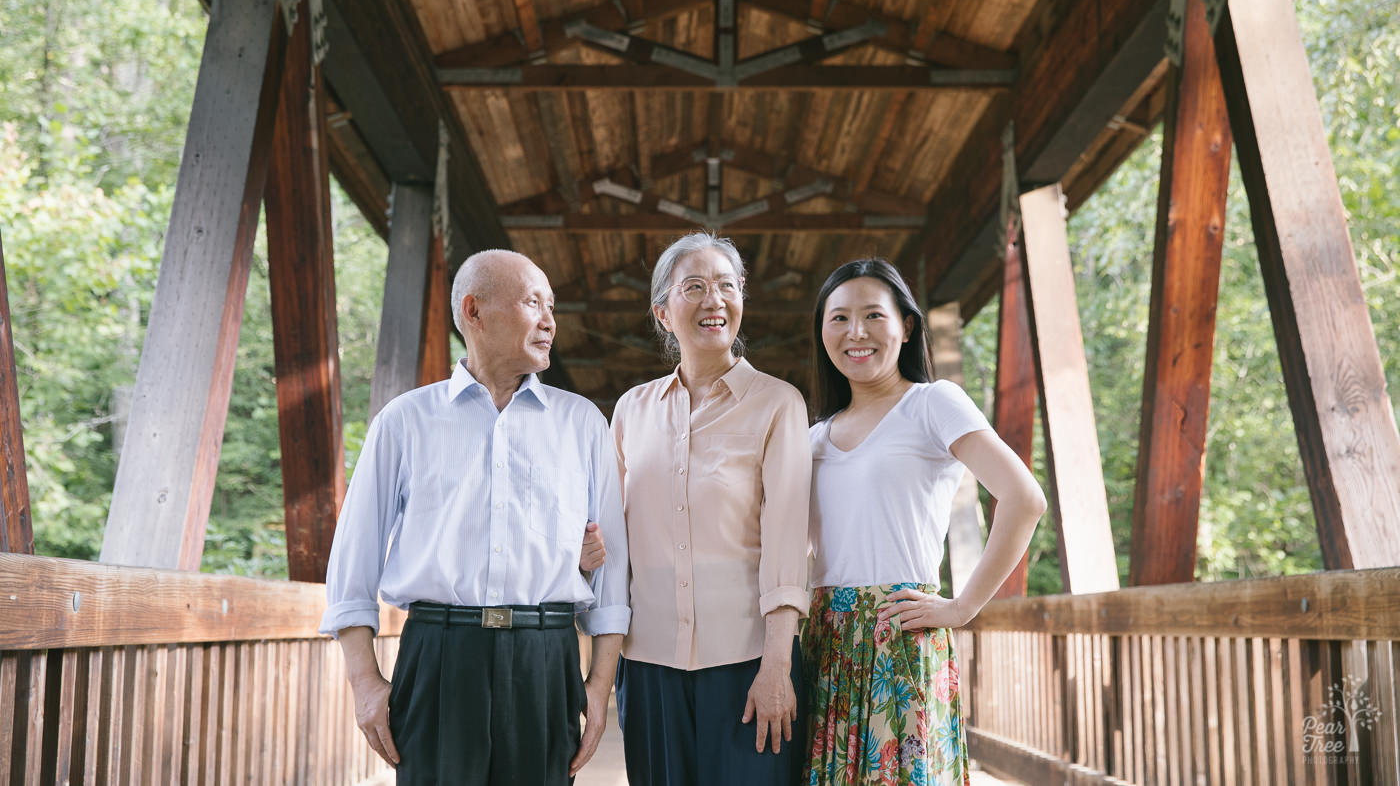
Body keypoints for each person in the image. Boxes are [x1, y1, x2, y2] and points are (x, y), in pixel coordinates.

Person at [319, 249, 630, 785]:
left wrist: (598, 689)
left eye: (552, 306)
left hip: (546, 660)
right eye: (534, 302)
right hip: (438, 659)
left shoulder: (582, 423)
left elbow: (613, 574)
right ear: (474, 311)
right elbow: (353, 562)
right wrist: (365, 681)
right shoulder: (404, 421)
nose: (550, 321)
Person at [803, 258, 1045, 786]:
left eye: (873, 315)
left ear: (906, 326)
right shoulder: (814, 438)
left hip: (901, 634)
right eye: (838, 318)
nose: (856, 333)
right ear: (822, 331)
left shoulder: (932, 403)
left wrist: (961, 608)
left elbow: (1024, 499)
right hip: (825, 647)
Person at [610, 232, 812, 786]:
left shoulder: (778, 404)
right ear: (663, 311)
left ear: (742, 297)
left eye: (726, 285)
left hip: (749, 663)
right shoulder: (631, 410)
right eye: (693, 287)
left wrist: (777, 665)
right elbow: (610, 535)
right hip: (648, 664)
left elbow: (787, 542)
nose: (713, 300)